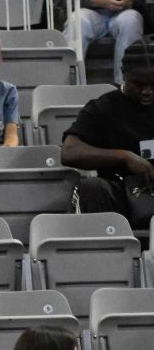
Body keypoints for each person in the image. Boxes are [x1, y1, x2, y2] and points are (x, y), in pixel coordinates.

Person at [63, 40, 154, 220]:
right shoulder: (104, 107)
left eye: (153, 85)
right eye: (139, 84)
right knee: (92, 187)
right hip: (121, 193)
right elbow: (69, 151)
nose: (147, 91)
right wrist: (124, 156)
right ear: (123, 75)